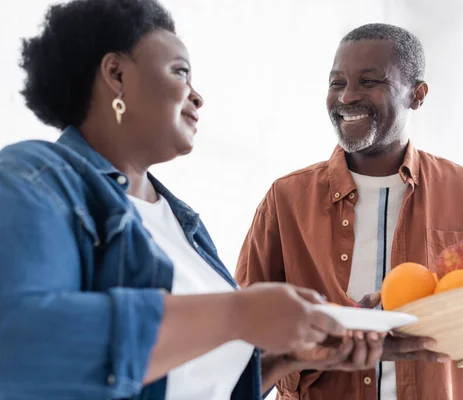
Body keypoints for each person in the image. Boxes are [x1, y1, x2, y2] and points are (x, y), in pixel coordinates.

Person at [0, 2, 389, 399]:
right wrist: (238, 315)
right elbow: (17, 347)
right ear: (116, 74)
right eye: (180, 72)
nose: (197, 96)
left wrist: (288, 360)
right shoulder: (34, 178)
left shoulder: (183, 223)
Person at [235, 23, 463, 400]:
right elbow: (238, 344)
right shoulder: (285, 199)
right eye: (337, 83)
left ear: (417, 95)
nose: (348, 96)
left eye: (369, 82)